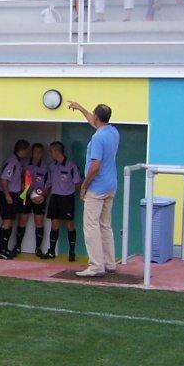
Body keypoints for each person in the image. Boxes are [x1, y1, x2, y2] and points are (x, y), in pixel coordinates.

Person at [67, 100, 119, 278]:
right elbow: (93, 121)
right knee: (105, 225)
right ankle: (109, 263)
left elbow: (95, 165)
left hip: (97, 187)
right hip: (110, 185)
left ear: (97, 117)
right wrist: (81, 108)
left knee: (91, 226)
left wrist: (84, 185)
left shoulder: (98, 138)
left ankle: (96, 265)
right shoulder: (113, 131)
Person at [41, 140, 80, 261]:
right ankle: (51, 251)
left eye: (51, 151)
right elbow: (48, 183)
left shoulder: (71, 166)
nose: (50, 153)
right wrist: (42, 195)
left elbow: (77, 183)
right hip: (55, 198)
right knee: (54, 224)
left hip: (67, 198)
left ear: (57, 151)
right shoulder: (52, 166)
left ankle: (72, 252)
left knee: (69, 224)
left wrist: (69, 191)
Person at [0, 139, 29, 259]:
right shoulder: (12, 161)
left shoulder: (19, 162)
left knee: (10, 222)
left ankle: (5, 249)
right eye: (27, 150)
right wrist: (7, 195)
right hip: (7, 194)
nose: (27, 153)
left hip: (14, 194)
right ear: (22, 150)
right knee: (7, 221)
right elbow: (4, 179)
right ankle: (1, 250)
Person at [19, 143, 49, 258]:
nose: (37, 154)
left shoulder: (45, 167)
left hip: (39, 197)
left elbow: (48, 185)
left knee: (39, 221)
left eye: (40, 152)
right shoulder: (25, 164)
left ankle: (38, 248)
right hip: (26, 196)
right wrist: (22, 187)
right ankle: (17, 246)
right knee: (22, 220)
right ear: (32, 152)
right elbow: (19, 178)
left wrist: (43, 196)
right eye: (35, 151)